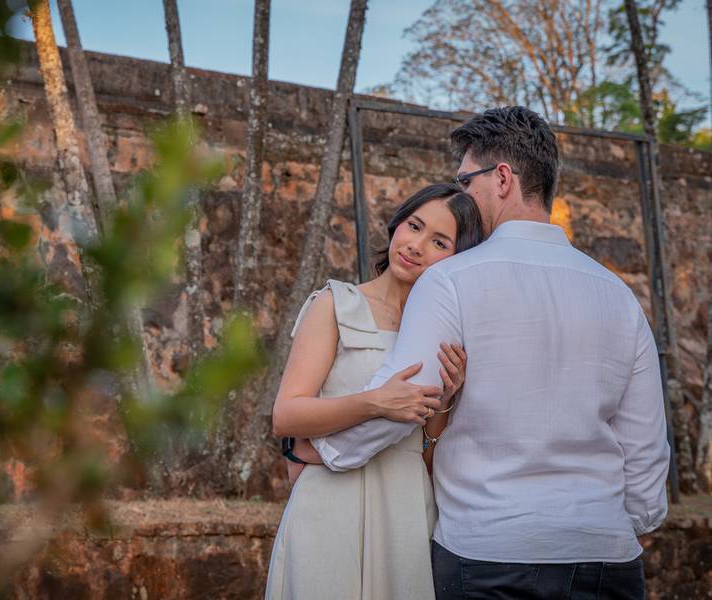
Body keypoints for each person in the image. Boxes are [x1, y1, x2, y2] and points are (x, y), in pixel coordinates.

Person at [314, 106, 671, 600]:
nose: (462, 196)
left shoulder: (450, 280)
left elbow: (408, 396)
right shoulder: (619, 295)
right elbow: (646, 449)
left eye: (465, 182)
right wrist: (615, 523)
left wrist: (325, 450)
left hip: (487, 552)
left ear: (501, 178)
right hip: (604, 554)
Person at [265, 183, 484, 600]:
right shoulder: (335, 304)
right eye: (414, 226)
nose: (416, 246)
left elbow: (425, 454)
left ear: (458, 258)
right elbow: (286, 417)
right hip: (330, 500)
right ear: (397, 223)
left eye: (439, 241)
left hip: (403, 504)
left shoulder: (445, 333)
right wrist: (373, 402)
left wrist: (445, 402)